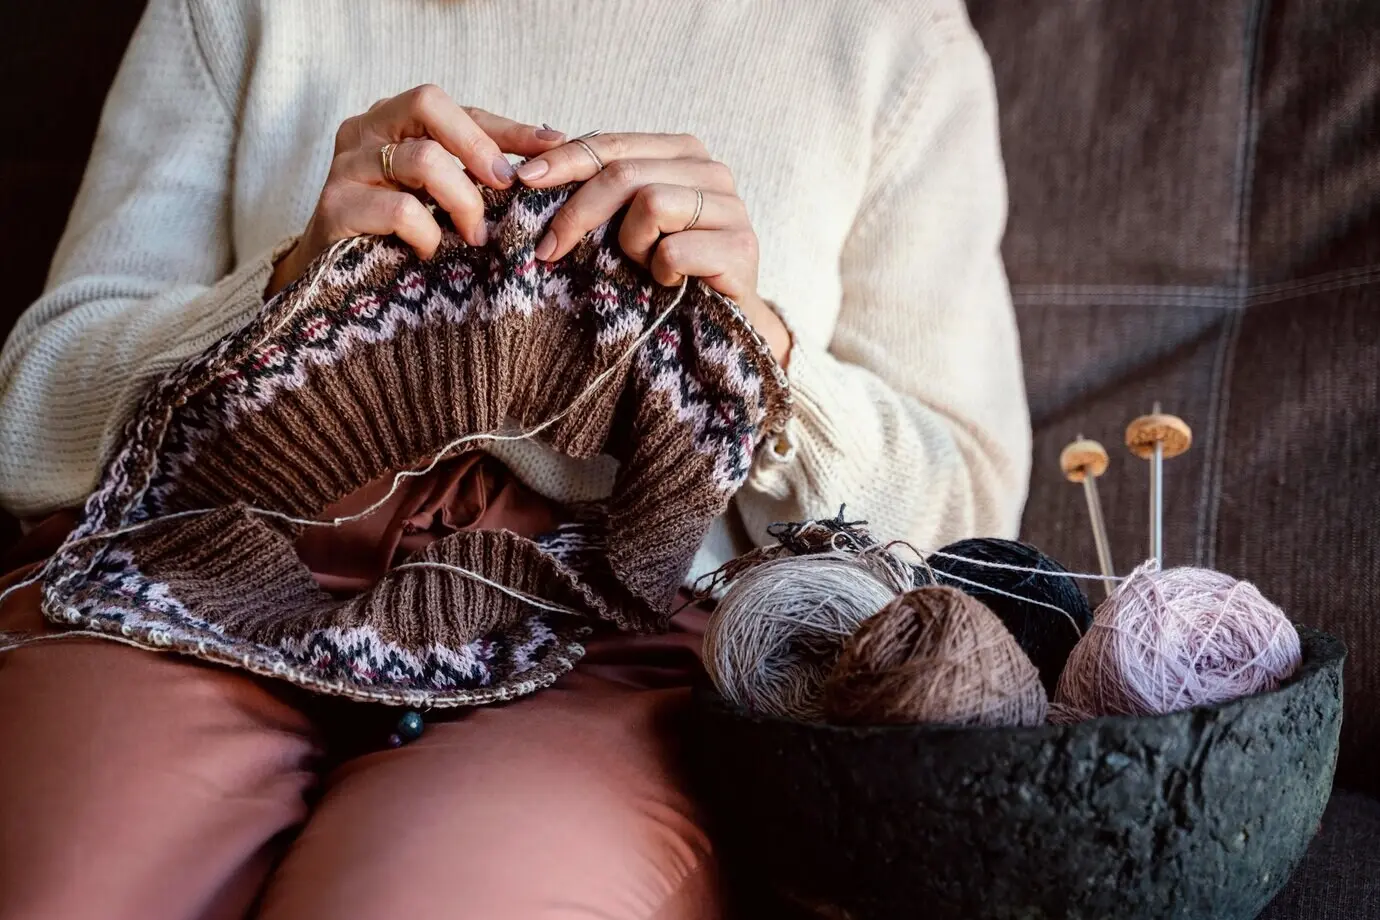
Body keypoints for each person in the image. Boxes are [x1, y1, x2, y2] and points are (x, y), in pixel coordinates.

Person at [0, 0, 1030, 917]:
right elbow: (27, 417)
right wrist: (284, 295)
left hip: (625, 628)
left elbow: (968, 513)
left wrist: (759, 356)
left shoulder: (894, 40)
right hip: (208, 567)